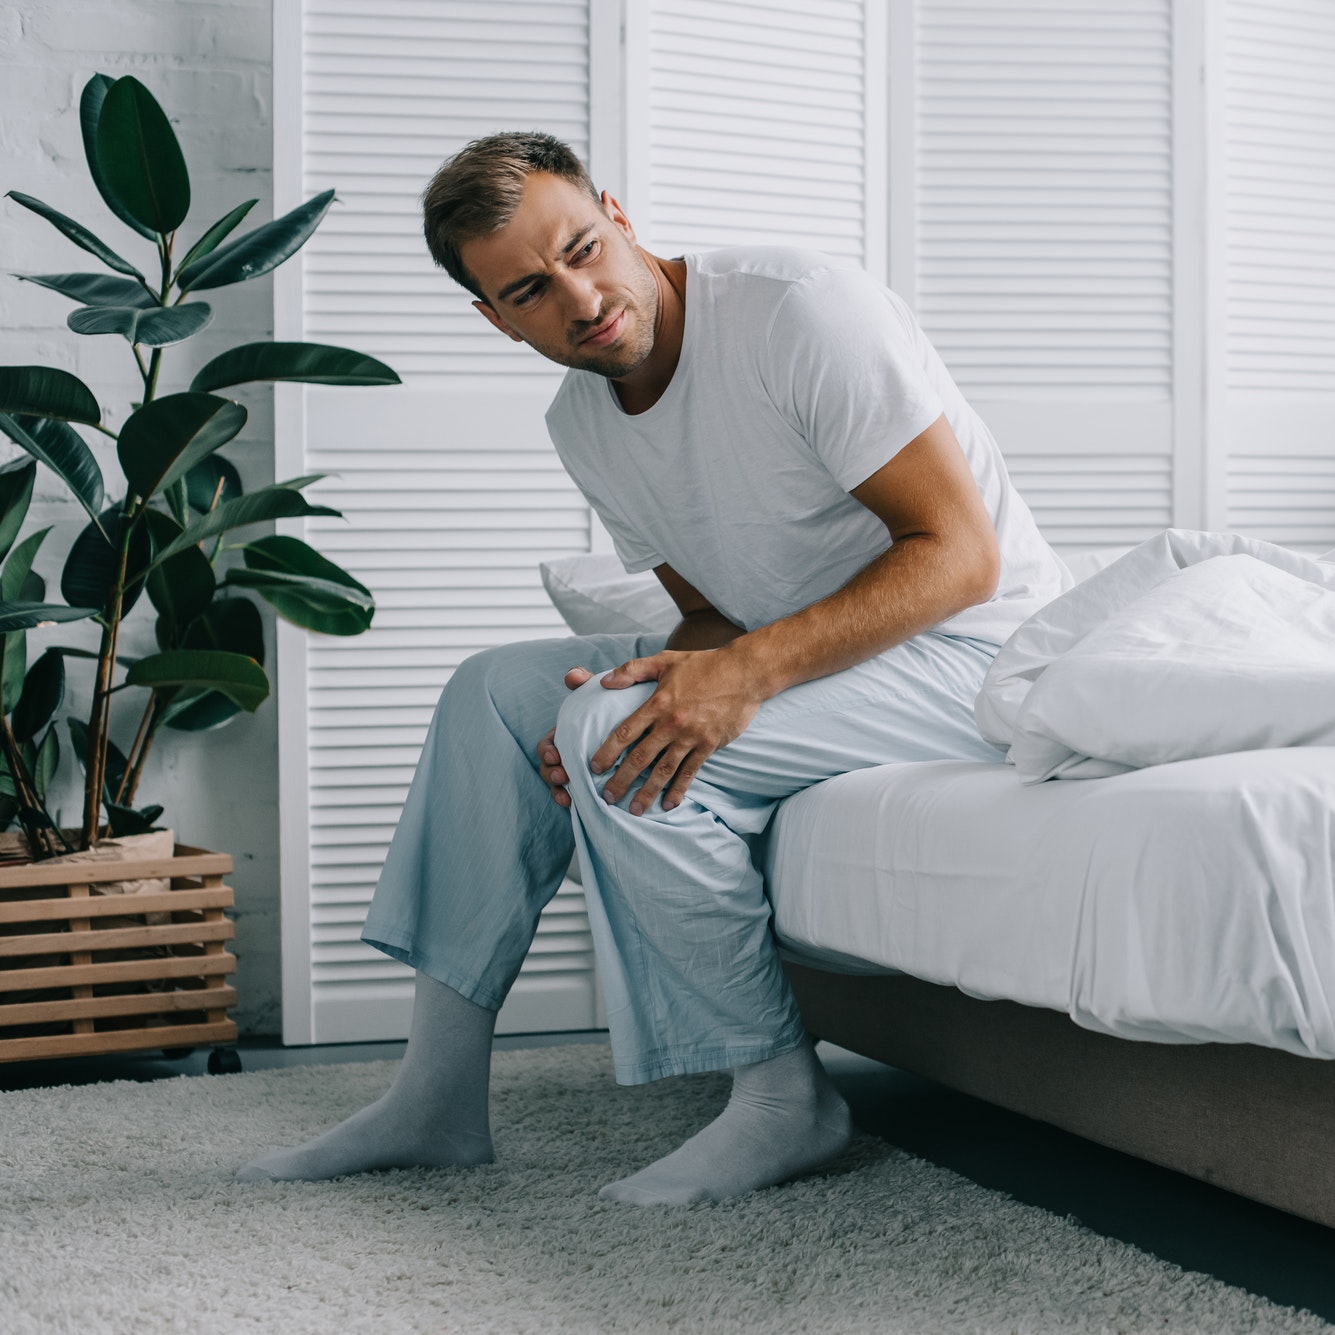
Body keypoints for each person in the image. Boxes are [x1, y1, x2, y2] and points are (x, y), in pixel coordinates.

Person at [237, 132, 1067, 1205]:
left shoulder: (798, 311)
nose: (580, 298)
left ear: (618, 214)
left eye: (584, 248)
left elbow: (960, 557)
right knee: (498, 694)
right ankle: (434, 1098)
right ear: (495, 319)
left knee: (607, 742)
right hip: (824, 659)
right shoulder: (583, 419)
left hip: (973, 655)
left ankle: (782, 1102)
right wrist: (627, 700)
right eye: (532, 291)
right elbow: (712, 613)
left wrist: (723, 688)